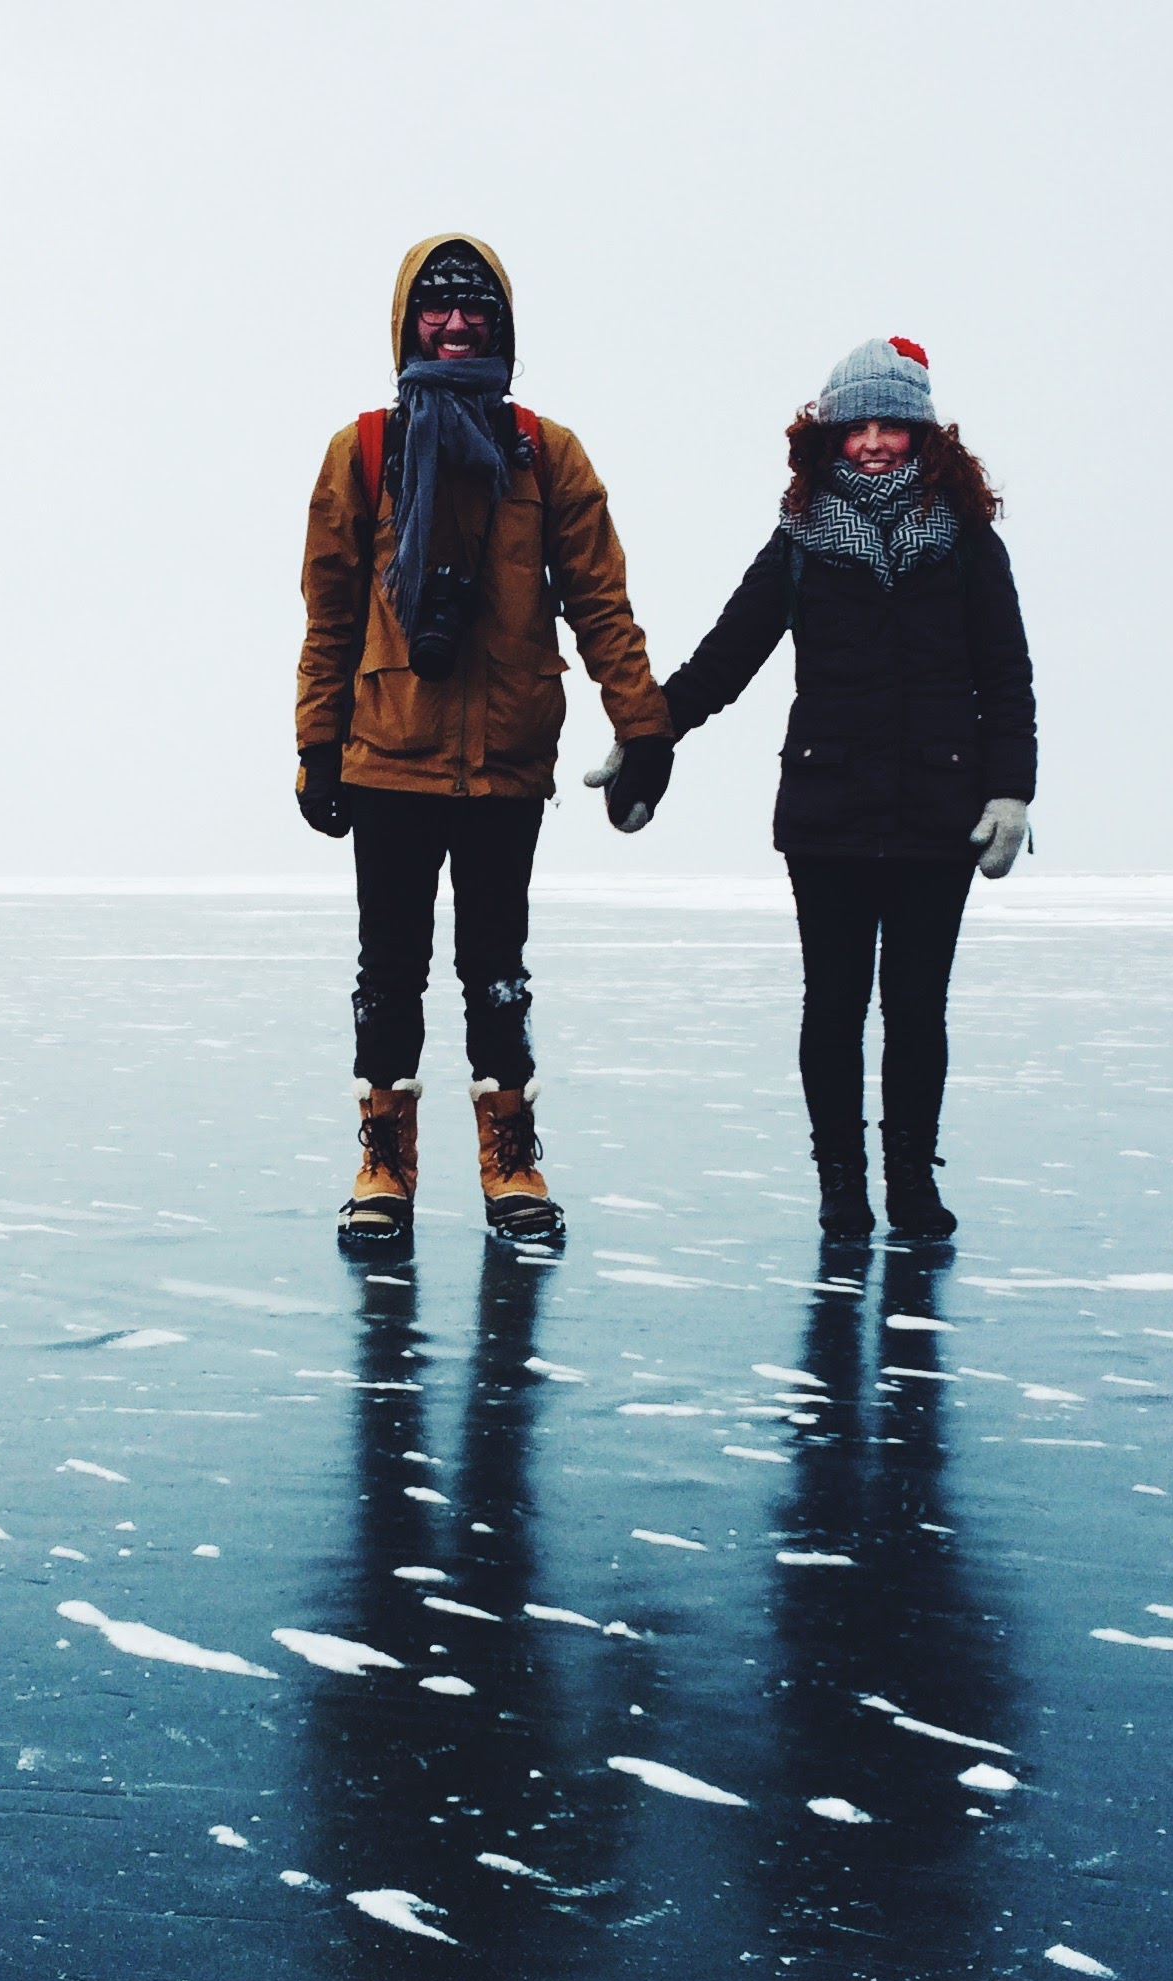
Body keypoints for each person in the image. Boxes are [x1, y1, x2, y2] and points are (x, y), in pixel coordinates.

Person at [603, 336, 1035, 1239]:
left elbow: (1005, 677)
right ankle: (842, 1184)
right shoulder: (799, 544)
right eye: (857, 427)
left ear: (925, 437)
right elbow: (726, 656)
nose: (875, 442)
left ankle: (911, 1182)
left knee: (917, 1007)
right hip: (829, 813)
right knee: (833, 1004)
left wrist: (1010, 793)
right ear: (828, 437)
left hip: (937, 813)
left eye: (894, 426)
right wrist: (648, 733)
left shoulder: (967, 542)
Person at [293, 234, 673, 1252]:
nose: (456, 325)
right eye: (437, 308)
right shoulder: (363, 451)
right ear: (407, 323)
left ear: (502, 330)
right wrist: (316, 747)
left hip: (506, 760)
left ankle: (512, 1159)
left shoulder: (545, 455)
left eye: (475, 312)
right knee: (391, 967)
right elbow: (329, 616)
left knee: (496, 968)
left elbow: (601, 602)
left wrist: (643, 728)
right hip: (390, 755)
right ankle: (384, 1160)